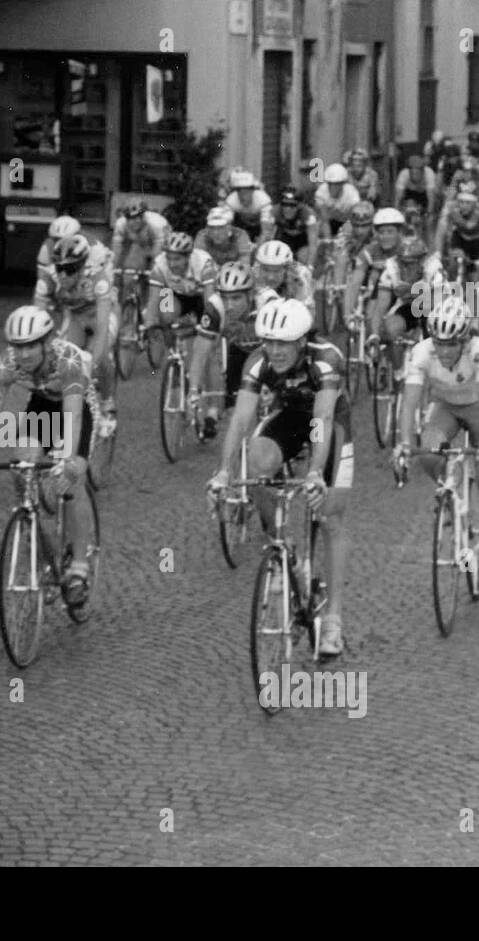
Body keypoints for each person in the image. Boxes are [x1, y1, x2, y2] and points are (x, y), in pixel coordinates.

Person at [207, 298, 353, 656]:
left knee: (331, 515)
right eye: (269, 342)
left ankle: (333, 618)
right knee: (254, 463)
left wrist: (316, 473)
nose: (275, 350)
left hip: (329, 422)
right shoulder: (258, 361)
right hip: (289, 416)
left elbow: (322, 421)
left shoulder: (326, 358)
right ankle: (285, 549)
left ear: (302, 340)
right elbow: (241, 419)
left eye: (283, 342)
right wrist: (225, 472)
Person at [0, 306, 98, 605]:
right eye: (17, 346)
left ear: (47, 341)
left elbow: (73, 417)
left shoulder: (68, 360)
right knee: (20, 467)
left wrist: (66, 460)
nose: (23, 354)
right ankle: (44, 556)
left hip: (77, 406)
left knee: (72, 478)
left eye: (30, 346)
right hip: (41, 405)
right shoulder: (7, 363)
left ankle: (79, 566)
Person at [394, 296, 479, 592]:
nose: (443, 350)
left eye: (451, 344)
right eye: (438, 342)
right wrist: (404, 444)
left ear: (465, 339)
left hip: (477, 408)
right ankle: (453, 497)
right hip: (445, 406)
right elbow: (409, 405)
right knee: (427, 454)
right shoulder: (420, 352)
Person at [37, 234, 119, 436]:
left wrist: (92, 363)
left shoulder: (97, 279)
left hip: (101, 314)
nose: (64, 275)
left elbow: (101, 329)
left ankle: (108, 405)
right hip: (75, 316)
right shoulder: (48, 279)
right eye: (60, 268)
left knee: (99, 355)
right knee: (64, 359)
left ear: (82, 266)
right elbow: (37, 322)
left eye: (71, 269)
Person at [189, 260, 257, 438]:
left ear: (250, 295)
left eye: (236, 298)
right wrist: (193, 390)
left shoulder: (266, 302)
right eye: (225, 297)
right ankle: (214, 409)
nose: (229, 305)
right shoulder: (215, 305)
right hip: (236, 350)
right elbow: (200, 353)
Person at [368, 235, 445, 376]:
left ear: (422, 261)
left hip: (432, 306)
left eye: (410, 264)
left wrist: (412, 291)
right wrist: (374, 335)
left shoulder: (433, 267)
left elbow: (437, 305)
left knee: (435, 344)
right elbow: (380, 306)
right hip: (408, 306)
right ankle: (399, 376)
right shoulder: (391, 268)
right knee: (390, 329)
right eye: (402, 262)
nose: (405, 267)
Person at [259, 187, 318, 267]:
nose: (288, 209)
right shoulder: (274, 212)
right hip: (284, 238)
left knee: (304, 257)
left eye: (292, 205)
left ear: (300, 205)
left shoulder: (308, 215)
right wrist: (258, 262)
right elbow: (265, 236)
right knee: (275, 257)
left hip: (303, 241)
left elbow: (313, 244)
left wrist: (310, 267)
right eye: (285, 204)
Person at [224, 170, 274, 238]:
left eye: (246, 192)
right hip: (242, 226)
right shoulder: (231, 200)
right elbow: (226, 224)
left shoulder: (263, 199)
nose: (243, 196)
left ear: (253, 191)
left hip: (259, 226)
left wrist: (260, 244)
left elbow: (266, 228)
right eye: (239, 192)